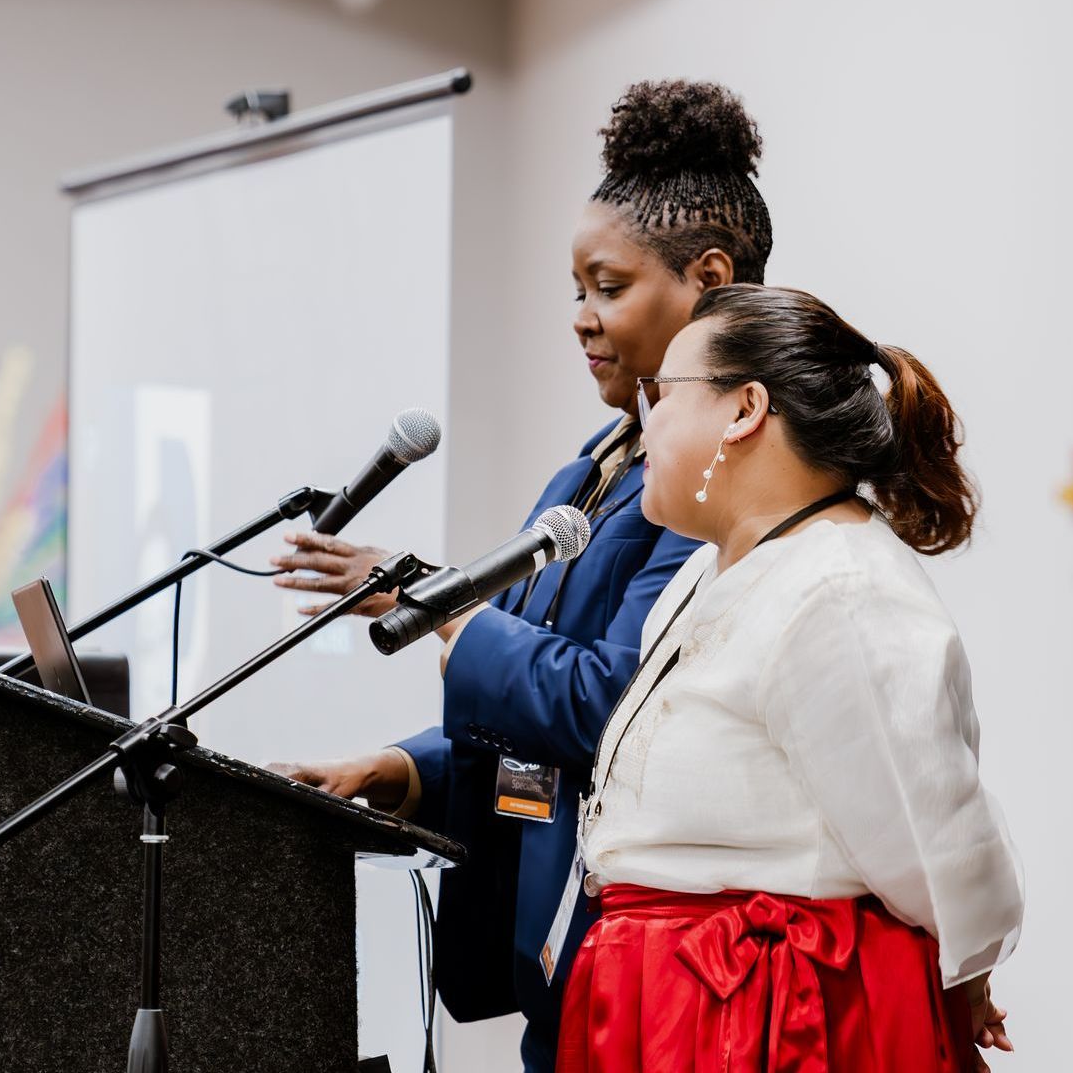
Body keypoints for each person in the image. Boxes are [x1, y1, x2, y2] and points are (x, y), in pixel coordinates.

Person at [265, 81, 776, 1072]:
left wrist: (440, 609)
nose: (582, 319)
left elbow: (607, 705)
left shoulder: (718, 490)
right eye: (575, 290)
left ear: (708, 280)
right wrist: (407, 771)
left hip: (644, 961)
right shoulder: (590, 467)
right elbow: (528, 709)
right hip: (565, 969)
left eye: (608, 286)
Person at [557, 285, 1024, 1072]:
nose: (644, 421)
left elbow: (932, 841)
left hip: (754, 1012)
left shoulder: (844, 589)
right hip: (659, 991)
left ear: (744, 410)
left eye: (660, 394)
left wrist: (965, 978)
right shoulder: (708, 570)